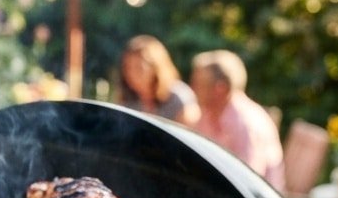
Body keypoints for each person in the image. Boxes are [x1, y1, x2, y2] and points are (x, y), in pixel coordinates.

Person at [190, 49, 285, 189]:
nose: (193, 89)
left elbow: (247, 182)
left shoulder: (246, 123)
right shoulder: (207, 113)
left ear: (220, 88)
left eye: (199, 84)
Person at [117, 35, 200, 126]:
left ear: (155, 68)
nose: (131, 74)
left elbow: (189, 132)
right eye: (128, 68)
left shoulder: (179, 98)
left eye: (139, 68)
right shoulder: (129, 102)